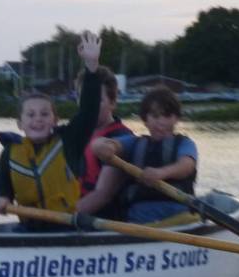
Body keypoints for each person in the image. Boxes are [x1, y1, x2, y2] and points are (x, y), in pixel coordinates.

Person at [0, 31, 105, 228]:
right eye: (31, 115)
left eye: (44, 114)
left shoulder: (70, 141)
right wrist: (0, 197)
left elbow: (88, 111)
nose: (38, 120)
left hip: (66, 227)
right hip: (29, 228)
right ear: (20, 123)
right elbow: (1, 184)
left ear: (55, 120)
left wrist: (92, 67)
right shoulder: (10, 152)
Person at [82, 86, 197, 223]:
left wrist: (161, 173)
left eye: (167, 115)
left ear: (176, 118)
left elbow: (186, 166)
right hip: (139, 215)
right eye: (155, 116)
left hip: (177, 211)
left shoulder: (185, 143)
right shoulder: (134, 142)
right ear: (145, 120)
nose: (161, 122)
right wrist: (104, 147)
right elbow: (102, 144)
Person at [75, 69, 133, 218]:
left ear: (113, 102)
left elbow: (103, 195)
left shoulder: (120, 140)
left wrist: (60, 217)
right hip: (76, 214)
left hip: (103, 219)